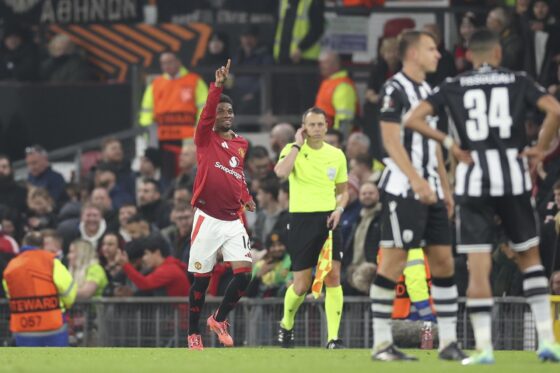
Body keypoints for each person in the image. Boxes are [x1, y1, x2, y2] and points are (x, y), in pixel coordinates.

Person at [404, 28, 560, 364]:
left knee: (478, 266)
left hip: (473, 180)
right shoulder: (517, 80)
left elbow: (412, 118)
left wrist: (450, 145)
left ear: (470, 55)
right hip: (513, 178)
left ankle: (484, 347)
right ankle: (547, 341)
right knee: (530, 259)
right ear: (499, 54)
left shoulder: (454, 85)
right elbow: (555, 110)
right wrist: (539, 149)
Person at [371, 30, 466, 362]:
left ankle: (448, 342)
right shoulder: (393, 89)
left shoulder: (428, 90)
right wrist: (416, 181)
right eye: (431, 49)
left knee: (442, 262)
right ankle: (382, 344)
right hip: (403, 190)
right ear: (412, 54)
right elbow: (390, 141)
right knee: (394, 262)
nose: (438, 55)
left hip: (433, 190)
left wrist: (444, 186)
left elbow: (434, 145)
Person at [186, 60, 256, 350]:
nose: (226, 115)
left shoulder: (241, 143)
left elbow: (236, 173)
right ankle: (193, 333)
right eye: (220, 111)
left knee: (245, 274)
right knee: (201, 281)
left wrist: (246, 195)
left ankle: (218, 319)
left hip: (232, 219)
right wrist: (217, 87)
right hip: (207, 217)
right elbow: (206, 113)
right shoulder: (204, 138)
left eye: (229, 111)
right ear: (211, 116)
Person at [274, 106, 349, 349]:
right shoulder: (292, 150)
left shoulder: (337, 155)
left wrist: (339, 209)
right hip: (300, 220)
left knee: (333, 276)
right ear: (303, 127)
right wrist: (296, 145)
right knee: (302, 285)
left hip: (329, 219)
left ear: (326, 126)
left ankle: (333, 339)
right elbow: (280, 173)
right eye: (312, 124)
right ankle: (286, 323)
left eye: (321, 124)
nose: (317, 129)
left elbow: (343, 192)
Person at [139, 52, 209, 179]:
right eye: (163, 63)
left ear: (178, 62)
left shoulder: (194, 81)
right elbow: (146, 113)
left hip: (188, 138)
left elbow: (205, 109)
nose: (166, 66)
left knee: (191, 174)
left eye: (169, 62)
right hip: (163, 138)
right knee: (166, 176)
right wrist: (150, 138)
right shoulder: (155, 84)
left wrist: (199, 133)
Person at [2, 232, 76, 346]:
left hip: (24, 326)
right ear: (42, 246)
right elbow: (68, 290)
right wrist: (66, 304)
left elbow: (9, 293)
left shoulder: (11, 266)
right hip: (53, 323)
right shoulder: (52, 262)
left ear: (23, 245)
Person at [116, 234, 190, 296]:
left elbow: (144, 284)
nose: (144, 258)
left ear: (157, 253)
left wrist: (125, 264)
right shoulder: (169, 266)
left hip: (180, 312)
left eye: (146, 254)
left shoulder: (168, 269)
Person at [315, 51, 359, 136]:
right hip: (326, 135)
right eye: (321, 63)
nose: (321, 66)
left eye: (326, 63)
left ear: (336, 65)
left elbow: (345, 118)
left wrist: (339, 138)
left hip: (334, 136)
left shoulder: (343, 85)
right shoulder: (328, 82)